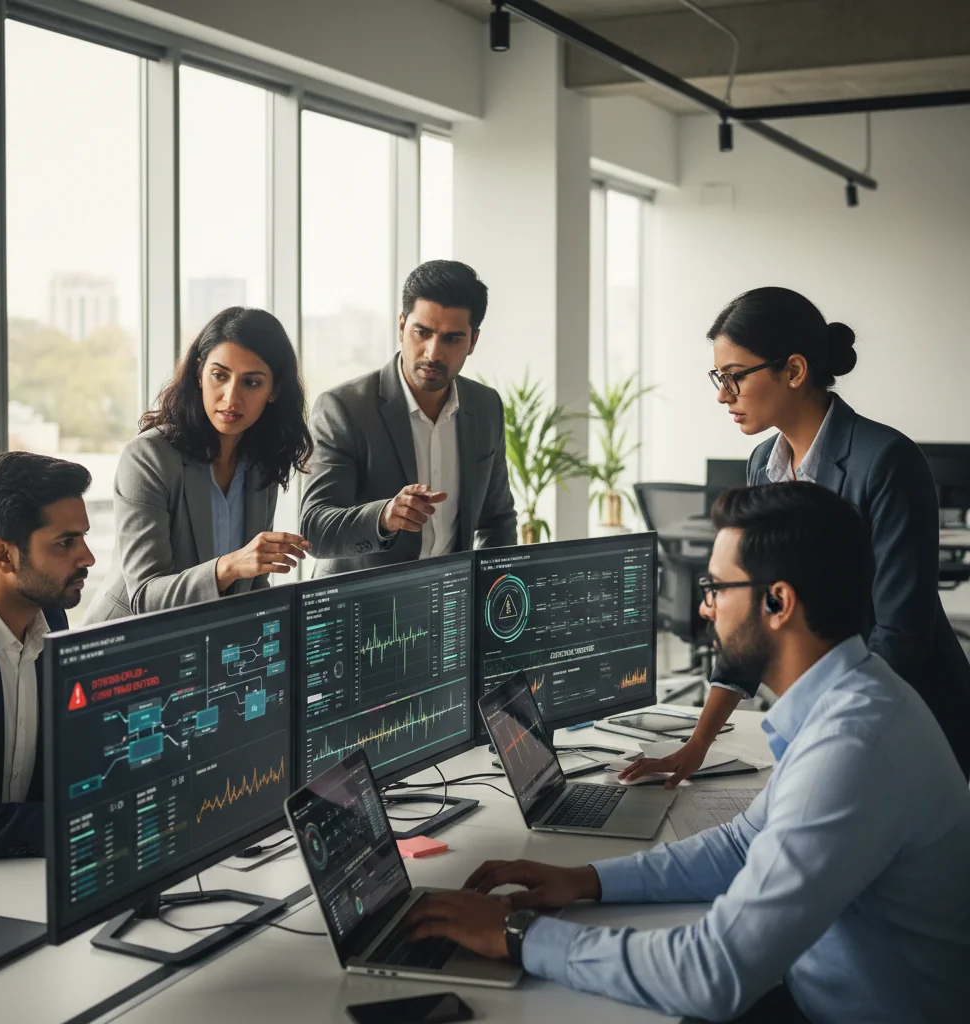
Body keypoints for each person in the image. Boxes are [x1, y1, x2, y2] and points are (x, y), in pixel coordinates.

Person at [404, 483, 970, 1024]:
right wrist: (585, 880)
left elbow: (713, 973)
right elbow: (744, 844)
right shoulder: (850, 698)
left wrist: (518, 935)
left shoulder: (853, 747)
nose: (704, 611)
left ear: (778, 602)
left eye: (716, 589)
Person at [627, 286, 970, 784]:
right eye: (718, 378)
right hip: (832, 721)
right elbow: (751, 613)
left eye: (735, 377)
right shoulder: (763, 464)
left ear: (793, 370)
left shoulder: (887, 461)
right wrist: (697, 744)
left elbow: (900, 636)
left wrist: (831, 741)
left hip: (911, 721)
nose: (723, 395)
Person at [85, 307, 313, 623]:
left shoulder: (262, 461)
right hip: (126, 647)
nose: (231, 398)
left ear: (274, 390)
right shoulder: (148, 458)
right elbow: (145, 596)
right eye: (219, 376)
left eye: (252, 383)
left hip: (204, 646)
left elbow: (252, 582)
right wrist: (230, 566)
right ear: (199, 373)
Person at [300, 260, 516, 576]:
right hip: (359, 607)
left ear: (473, 341)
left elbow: (497, 520)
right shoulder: (344, 408)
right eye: (422, 332)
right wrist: (384, 517)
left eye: (451, 338)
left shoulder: (485, 407)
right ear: (401, 326)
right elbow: (315, 530)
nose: (432, 353)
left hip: (450, 602)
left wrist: (493, 592)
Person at [0, 452, 95, 861]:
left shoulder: (51, 615)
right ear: (2, 556)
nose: (87, 558)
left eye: (83, 537)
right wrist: (74, 822)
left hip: (22, 876)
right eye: (66, 542)